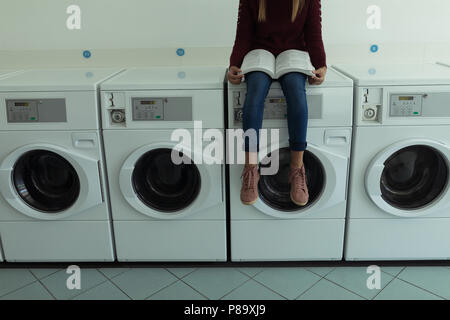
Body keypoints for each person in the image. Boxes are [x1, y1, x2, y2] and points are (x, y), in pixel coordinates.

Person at [227, 0, 327, 206]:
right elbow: (243, 33)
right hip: (259, 54)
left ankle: (297, 170)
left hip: (294, 54)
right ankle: (250, 169)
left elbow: (313, 33)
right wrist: (235, 64)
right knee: (254, 95)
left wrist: (321, 65)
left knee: (297, 94)